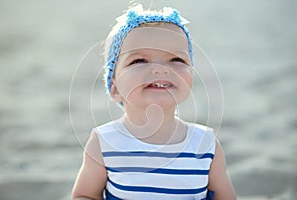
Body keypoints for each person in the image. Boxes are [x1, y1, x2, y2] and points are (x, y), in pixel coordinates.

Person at [72, 4, 236, 200]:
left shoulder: (206, 144)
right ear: (114, 88)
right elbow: (85, 195)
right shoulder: (104, 142)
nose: (160, 69)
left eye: (176, 59)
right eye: (139, 61)